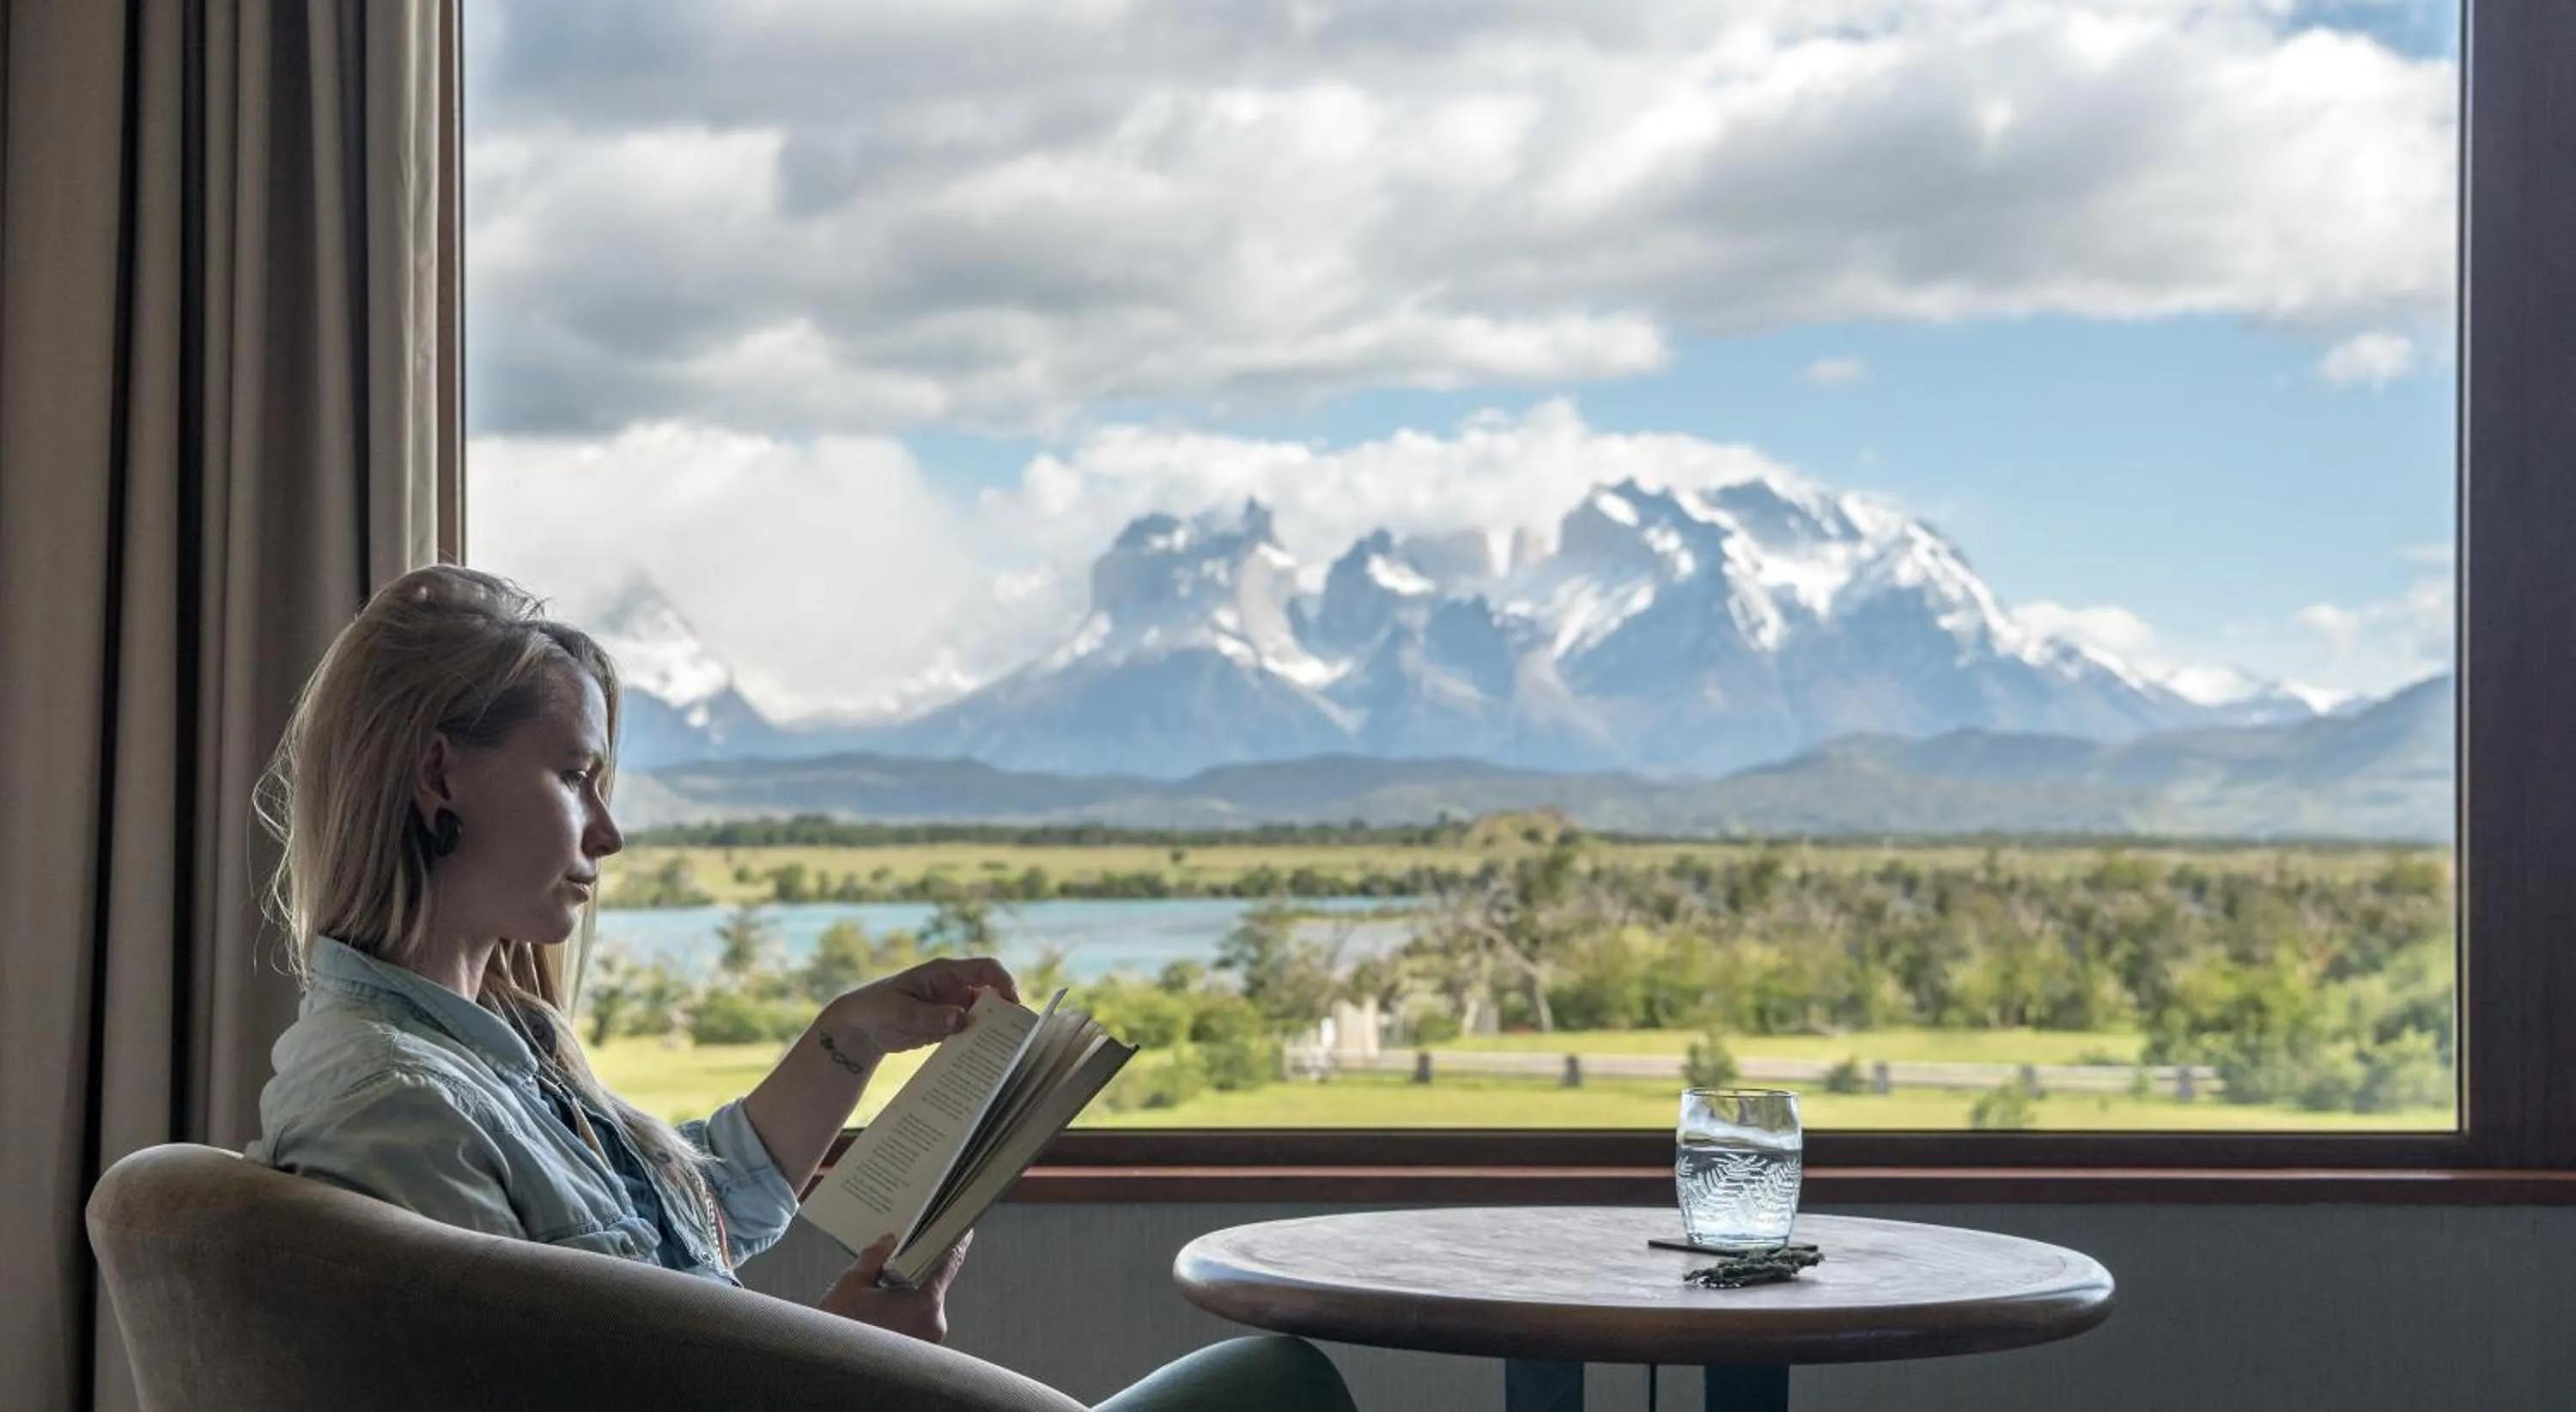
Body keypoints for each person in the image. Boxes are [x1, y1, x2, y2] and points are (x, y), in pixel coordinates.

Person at [246, 564, 1355, 1412]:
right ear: (439, 773)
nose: (609, 831)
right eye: (575, 776)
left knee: (1272, 1377)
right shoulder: (387, 1107)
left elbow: (685, 1226)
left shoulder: (489, 1054)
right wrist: (837, 1353)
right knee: (1276, 1386)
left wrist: (851, 1036)